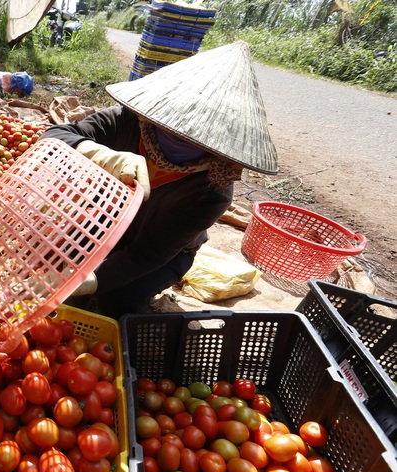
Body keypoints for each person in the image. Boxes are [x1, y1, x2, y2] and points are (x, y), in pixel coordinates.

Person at [40, 41, 278, 319]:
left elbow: (146, 255)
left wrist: (92, 281)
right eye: (173, 125)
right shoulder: (128, 122)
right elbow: (55, 136)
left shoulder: (213, 190)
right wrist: (98, 153)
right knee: (52, 259)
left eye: (195, 135)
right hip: (103, 225)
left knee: (117, 299)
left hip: (162, 253)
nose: (179, 135)